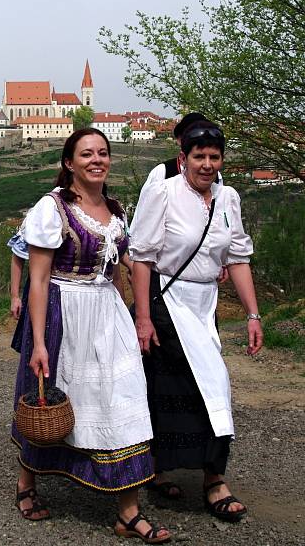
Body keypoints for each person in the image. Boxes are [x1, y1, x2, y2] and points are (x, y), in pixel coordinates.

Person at [11, 128, 169, 543]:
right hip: (64, 311)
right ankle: (27, 481)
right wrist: (41, 340)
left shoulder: (116, 210)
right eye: (86, 154)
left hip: (107, 312)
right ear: (69, 163)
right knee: (51, 400)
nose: (97, 160)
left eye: (103, 153)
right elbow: (40, 278)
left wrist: (139, 317)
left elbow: (121, 268)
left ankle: (127, 512)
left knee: (124, 397)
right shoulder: (53, 208)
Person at [130, 121, 262, 523]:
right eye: (199, 157)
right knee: (181, 386)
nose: (207, 165)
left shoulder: (229, 198)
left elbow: (237, 257)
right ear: (182, 158)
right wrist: (143, 318)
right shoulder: (163, 192)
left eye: (214, 157)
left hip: (206, 303)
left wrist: (253, 314)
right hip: (168, 300)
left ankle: (211, 475)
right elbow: (142, 257)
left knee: (214, 382)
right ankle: (176, 471)